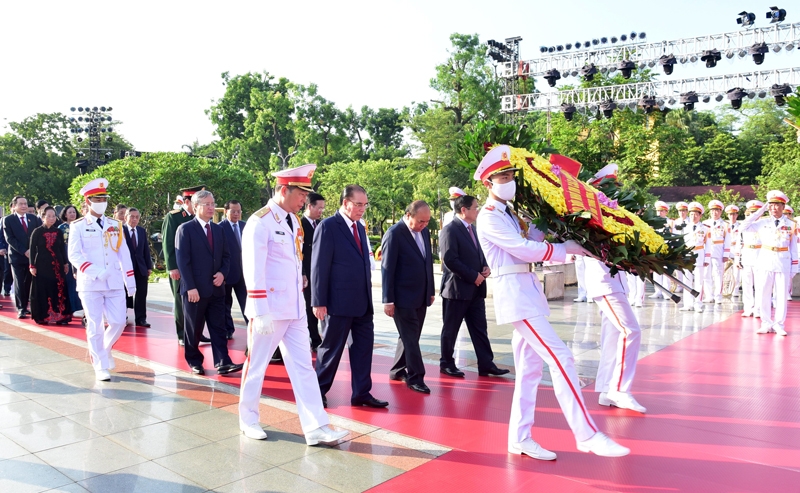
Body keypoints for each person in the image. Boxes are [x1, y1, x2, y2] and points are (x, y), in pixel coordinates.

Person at [475, 145, 629, 460]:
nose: (508, 180)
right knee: (562, 358)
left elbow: (537, 239)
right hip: (516, 296)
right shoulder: (489, 217)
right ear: (487, 183)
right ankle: (586, 434)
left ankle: (519, 438)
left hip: (527, 291)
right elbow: (524, 250)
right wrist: (567, 248)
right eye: (502, 176)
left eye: (510, 175)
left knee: (530, 371)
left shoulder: (510, 213)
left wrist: (569, 229)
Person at [238, 164, 349, 445]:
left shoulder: (293, 221)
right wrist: (259, 310)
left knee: (303, 368)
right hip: (269, 310)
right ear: (284, 190)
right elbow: (253, 269)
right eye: (301, 194)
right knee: (257, 367)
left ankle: (316, 427)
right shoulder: (260, 222)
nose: (304, 200)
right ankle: (248, 419)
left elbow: (293, 261)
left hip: (295, 308)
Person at [312, 185, 388, 409]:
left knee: (363, 349)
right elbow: (319, 267)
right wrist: (318, 301)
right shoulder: (328, 227)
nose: (362, 209)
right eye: (358, 204)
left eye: (365, 205)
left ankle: (362, 393)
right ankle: (318, 390)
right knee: (331, 350)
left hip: (362, 302)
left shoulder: (361, 227)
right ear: (345, 203)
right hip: (337, 303)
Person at [68, 178, 137, 381]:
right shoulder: (78, 226)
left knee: (118, 322)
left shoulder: (115, 224)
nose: (102, 202)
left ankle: (104, 351)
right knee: (95, 324)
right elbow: (74, 255)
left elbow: (124, 254)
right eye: (98, 199)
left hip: (114, 281)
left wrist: (130, 281)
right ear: (88, 202)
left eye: (104, 198)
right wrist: (96, 271)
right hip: (90, 284)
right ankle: (99, 365)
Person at [438, 194, 508, 378]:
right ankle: (446, 363)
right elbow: (450, 260)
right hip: (457, 291)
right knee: (450, 329)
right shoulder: (450, 230)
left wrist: (485, 267)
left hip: (476, 290)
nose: (478, 210)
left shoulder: (474, 229)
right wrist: (473, 276)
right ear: (464, 210)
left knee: (480, 329)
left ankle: (486, 363)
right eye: (475, 207)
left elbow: (480, 252)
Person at [175, 190, 243, 375]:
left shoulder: (219, 230)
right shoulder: (185, 229)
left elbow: (227, 257)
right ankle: (194, 361)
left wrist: (222, 273)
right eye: (207, 204)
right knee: (193, 329)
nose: (212, 207)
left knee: (218, 328)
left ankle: (223, 361)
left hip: (216, 289)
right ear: (196, 206)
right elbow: (183, 261)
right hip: (195, 291)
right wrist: (190, 287)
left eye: (213, 203)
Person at [381, 200, 436, 394]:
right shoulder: (394, 234)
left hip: (421, 295)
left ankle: (397, 369)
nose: (424, 225)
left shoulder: (424, 232)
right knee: (411, 338)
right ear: (408, 215)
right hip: (402, 297)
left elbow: (427, 261)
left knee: (409, 336)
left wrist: (431, 289)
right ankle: (416, 377)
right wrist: (388, 300)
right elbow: (387, 268)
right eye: (421, 221)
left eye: (427, 221)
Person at [584, 257, 646, 413]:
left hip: (614, 283)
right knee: (630, 331)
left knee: (614, 336)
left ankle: (607, 389)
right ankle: (619, 390)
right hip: (604, 282)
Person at [737, 191, 798, 335]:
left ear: (783, 207)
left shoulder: (791, 224)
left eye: (777, 205)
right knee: (764, 293)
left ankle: (779, 324)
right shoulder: (762, 222)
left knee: (781, 295)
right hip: (765, 260)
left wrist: (794, 266)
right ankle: (766, 322)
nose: (774, 208)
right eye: (771, 205)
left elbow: (794, 247)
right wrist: (760, 210)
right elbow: (743, 227)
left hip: (783, 261)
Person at [162, 186, 202, 345]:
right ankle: (182, 333)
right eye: (196, 202)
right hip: (179, 268)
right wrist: (172, 267)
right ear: (187, 201)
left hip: (197, 268)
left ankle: (196, 332)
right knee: (181, 301)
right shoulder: (174, 217)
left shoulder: (197, 218)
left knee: (198, 301)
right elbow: (168, 244)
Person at [29, 206, 71, 325]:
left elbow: (61, 249)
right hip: (42, 265)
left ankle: (61, 315)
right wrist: (32, 266)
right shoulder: (37, 232)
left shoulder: (58, 231)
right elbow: (32, 249)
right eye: (49, 216)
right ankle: (44, 316)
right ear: (43, 217)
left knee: (59, 288)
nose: (52, 218)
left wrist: (65, 263)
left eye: (53, 216)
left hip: (57, 265)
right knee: (43, 289)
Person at [3, 196, 42, 318]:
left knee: (28, 282)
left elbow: (38, 235)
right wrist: (24, 251)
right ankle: (21, 308)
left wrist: (33, 250)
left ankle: (27, 306)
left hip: (31, 257)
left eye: (25, 204)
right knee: (19, 282)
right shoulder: (8, 220)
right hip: (16, 257)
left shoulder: (33, 219)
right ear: (14, 206)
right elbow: (10, 239)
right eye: (21, 204)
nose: (24, 206)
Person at [219, 200, 247, 340]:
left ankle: (252, 328)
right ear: (226, 212)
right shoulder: (219, 228)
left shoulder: (245, 226)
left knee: (247, 302)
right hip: (227, 273)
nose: (236, 214)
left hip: (244, 273)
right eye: (233, 211)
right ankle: (228, 330)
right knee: (226, 303)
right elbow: (218, 254)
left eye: (238, 211)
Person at [301, 192, 325, 351]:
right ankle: (314, 339)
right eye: (319, 207)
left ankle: (323, 336)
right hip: (308, 274)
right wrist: (302, 273)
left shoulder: (323, 224)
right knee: (310, 307)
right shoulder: (299, 224)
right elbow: (298, 252)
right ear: (309, 206)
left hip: (323, 273)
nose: (321, 211)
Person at [679, 202, 711, 313]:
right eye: (691, 214)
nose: (693, 216)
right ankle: (687, 304)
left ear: (700, 215)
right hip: (687, 256)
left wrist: (707, 259)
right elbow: (681, 243)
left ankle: (698, 304)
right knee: (686, 280)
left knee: (698, 281)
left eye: (696, 214)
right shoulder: (684, 227)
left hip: (699, 255)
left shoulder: (705, 229)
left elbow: (708, 245)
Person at [123, 208, 152, 327]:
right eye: (132, 216)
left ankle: (141, 319)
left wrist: (149, 266)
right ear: (126, 217)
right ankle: (121, 316)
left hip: (141, 267)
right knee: (123, 293)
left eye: (137, 217)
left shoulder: (141, 231)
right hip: (125, 268)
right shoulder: (120, 230)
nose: (134, 219)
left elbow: (145, 250)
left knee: (141, 294)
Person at [702, 200, 730, 304]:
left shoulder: (725, 225)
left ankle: (718, 296)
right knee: (706, 274)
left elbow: (728, 240)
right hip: (706, 251)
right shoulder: (704, 223)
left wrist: (726, 254)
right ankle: (709, 295)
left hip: (719, 251)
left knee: (718, 274)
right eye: (713, 211)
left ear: (720, 212)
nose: (715, 213)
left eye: (717, 210)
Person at [738, 201, 763, 318]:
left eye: (756, 212)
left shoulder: (764, 224)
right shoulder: (745, 224)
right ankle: (748, 308)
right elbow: (739, 242)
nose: (754, 215)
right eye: (752, 212)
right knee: (747, 284)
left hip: (760, 255)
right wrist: (738, 258)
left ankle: (758, 308)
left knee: (759, 285)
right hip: (747, 255)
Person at [58, 205, 82, 316]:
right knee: (69, 282)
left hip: (80, 255)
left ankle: (80, 306)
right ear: (65, 214)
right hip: (66, 256)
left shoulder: (80, 225)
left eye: (74, 212)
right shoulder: (61, 228)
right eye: (70, 212)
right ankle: (71, 306)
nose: (72, 214)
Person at [648, 201, 672, 300]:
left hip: (666, 248)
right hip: (655, 249)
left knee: (666, 271)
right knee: (656, 270)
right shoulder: (652, 222)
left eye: (661, 211)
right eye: (658, 211)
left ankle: (667, 292)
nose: (659, 213)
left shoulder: (670, 222)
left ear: (666, 212)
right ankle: (657, 291)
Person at [725, 204, 742, 298]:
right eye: (730, 214)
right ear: (727, 215)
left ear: (737, 215)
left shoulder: (740, 226)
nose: (732, 216)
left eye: (734, 214)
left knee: (737, 272)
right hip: (726, 250)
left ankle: (735, 290)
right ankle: (724, 289)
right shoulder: (724, 225)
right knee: (723, 271)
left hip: (736, 250)